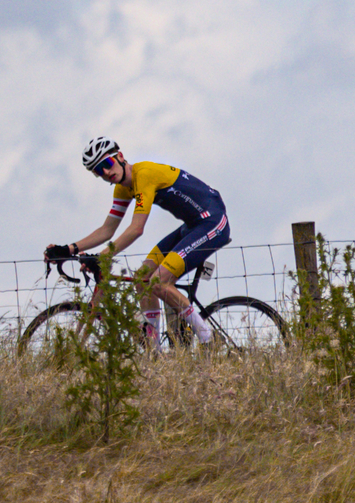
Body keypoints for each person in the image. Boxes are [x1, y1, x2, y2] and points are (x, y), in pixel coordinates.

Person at [45, 137, 230, 347]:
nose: (106, 172)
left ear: (120, 157)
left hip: (212, 222)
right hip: (192, 225)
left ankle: (210, 339)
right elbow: (107, 230)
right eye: (98, 171)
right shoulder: (122, 189)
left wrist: (103, 256)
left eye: (107, 164)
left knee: (159, 282)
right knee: (142, 278)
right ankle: (155, 351)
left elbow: (136, 229)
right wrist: (69, 248)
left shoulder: (144, 176)